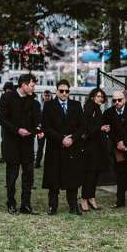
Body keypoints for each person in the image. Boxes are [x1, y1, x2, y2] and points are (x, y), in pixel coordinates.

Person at [0, 73, 42, 213]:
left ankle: (26, 204)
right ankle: (11, 203)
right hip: (12, 143)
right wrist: (17, 130)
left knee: (28, 175)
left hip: (28, 144)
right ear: (23, 84)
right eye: (32, 85)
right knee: (12, 175)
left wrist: (38, 130)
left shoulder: (34, 101)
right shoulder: (7, 97)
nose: (34, 88)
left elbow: (37, 122)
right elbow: (2, 119)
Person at [41, 79, 84, 215]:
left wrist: (72, 138)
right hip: (55, 147)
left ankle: (73, 205)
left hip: (72, 147)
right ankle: (52, 206)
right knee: (54, 177)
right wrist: (61, 139)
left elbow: (82, 126)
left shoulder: (76, 105)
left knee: (72, 177)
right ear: (56, 91)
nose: (64, 93)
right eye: (61, 91)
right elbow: (46, 127)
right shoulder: (48, 106)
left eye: (67, 91)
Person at [80, 88, 109, 211]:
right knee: (90, 173)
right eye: (98, 96)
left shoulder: (97, 109)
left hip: (98, 146)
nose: (100, 98)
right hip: (90, 146)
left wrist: (103, 128)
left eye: (102, 97)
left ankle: (91, 196)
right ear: (92, 97)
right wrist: (100, 128)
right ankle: (84, 199)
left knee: (95, 172)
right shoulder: (89, 107)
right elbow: (86, 127)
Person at [0, 81, 16, 163]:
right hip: (6, 123)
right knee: (4, 140)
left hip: (8, 123)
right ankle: (4, 156)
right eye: (7, 90)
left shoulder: (13, 97)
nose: (8, 92)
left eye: (9, 90)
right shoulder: (4, 97)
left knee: (7, 140)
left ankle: (6, 156)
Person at [36, 89, 53, 168]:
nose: (46, 97)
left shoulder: (53, 106)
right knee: (40, 147)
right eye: (45, 96)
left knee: (50, 148)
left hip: (50, 129)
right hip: (41, 128)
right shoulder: (40, 105)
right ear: (43, 96)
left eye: (48, 96)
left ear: (51, 96)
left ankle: (49, 163)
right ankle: (37, 163)